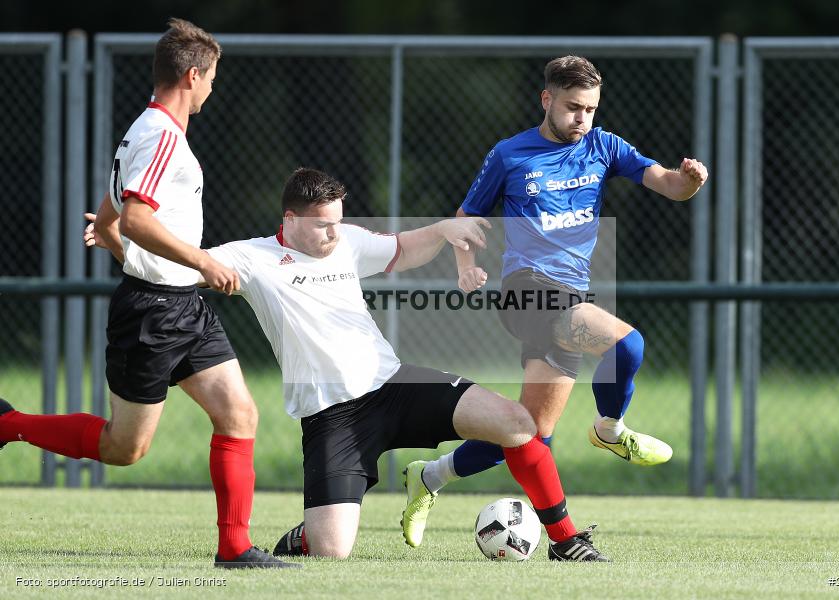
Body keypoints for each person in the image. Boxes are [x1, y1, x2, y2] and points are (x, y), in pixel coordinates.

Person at [84, 166, 609, 561]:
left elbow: (404, 248)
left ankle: (565, 541)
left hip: (394, 384)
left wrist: (445, 231)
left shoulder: (347, 240)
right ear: (289, 221)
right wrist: (117, 239)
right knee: (332, 551)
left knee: (518, 424)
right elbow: (170, 273)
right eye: (321, 226)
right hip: (332, 417)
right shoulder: (249, 256)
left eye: (338, 222)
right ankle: (307, 533)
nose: (334, 234)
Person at [0, 19, 295, 569]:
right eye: (211, 78)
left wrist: (119, 241)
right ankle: (7, 425)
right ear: (191, 74)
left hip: (184, 305)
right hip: (153, 313)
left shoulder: (149, 132)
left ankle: (234, 548)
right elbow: (134, 218)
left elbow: (113, 218)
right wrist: (202, 259)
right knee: (124, 449)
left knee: (239, 414)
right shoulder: (160, 135)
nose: (212, 88)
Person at [402, 55, 709, 546]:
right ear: (546, 100)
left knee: (528, 435)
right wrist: (466, 266)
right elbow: (466, 217)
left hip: (571, 293)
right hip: (526, 290)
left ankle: (429, 476)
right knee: (627, 345)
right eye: (572, 107)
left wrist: (689, 181)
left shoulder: (604, 145)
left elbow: (668, 184)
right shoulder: (509, 154)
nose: (582, 119)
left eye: (590, 109)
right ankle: (610, 431)